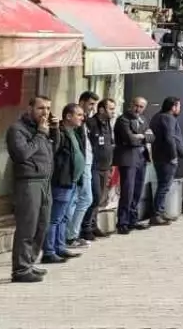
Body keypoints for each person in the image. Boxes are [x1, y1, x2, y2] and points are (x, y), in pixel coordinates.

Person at [7, 97, 54, 283]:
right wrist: (41, 134)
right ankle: (20, 269)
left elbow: (52, 153)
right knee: (27, 227)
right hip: (28, 182)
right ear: (30, 109)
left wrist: (54, 132)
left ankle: (29, 263)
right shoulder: (17, 129)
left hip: (45, 181)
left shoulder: (41, 129)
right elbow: (22, 154)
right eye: (41, 108)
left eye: (48, 108)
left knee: (42, 226)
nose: (45, 112)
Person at [44, 103, 87, 264]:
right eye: (79, 115)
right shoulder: (60, 132)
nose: (82, 118)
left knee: (63, 217)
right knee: (55, 217)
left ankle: (60, 247)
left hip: (73, 182)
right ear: (68, 116)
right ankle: (49, 251)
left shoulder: (74, 132)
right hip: (62, 181)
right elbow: (55, 153)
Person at [63, 93, 98, 249]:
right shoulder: (74, 125)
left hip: (87, 165)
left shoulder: (86, 123)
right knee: (83, 199)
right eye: (90, 104)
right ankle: (70, 236)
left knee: (80, 200)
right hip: (80, 167)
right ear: (82, 103)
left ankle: (71, 235)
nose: (92, 108)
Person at [113, 97, 153, 232]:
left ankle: (133, 219)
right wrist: (142, 136)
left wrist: (139, 136)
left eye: (141, 107)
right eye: (136, 105)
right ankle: (122, 222)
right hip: (128, 158)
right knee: (127, 191)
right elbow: (129, 139)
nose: (138, 109)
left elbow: (151, 137)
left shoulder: (143, 119)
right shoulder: (123, 119)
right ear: (131, 105)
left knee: (137, 190)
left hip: (141, 157)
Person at [147, 97, 183, 225]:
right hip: (166, 157)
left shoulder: (157, 117)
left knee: (163, 185)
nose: (179, 109)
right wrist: (173, 155)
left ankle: (160, 211)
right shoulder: (168, 118)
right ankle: (157, 214)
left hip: (159, 155)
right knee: (163, 186)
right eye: (178, 106)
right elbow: (170, 138)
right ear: (173, 107)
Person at [81, 97, 115, 241]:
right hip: (93, 166)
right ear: (102, 109)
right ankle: (86, 228)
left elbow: (110, 143)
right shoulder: (91, 123)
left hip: (105, 166)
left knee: (100, 198)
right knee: (93, 197)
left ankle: (93, 226)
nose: (114, 112)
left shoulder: (107, 123)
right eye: (111, 109)